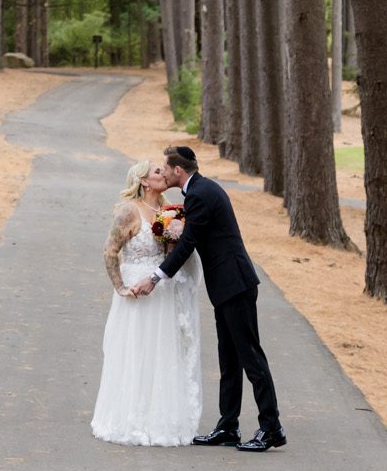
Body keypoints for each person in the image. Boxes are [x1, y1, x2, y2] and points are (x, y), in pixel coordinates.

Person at [130, 143, 286, 452]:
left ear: (178, 171)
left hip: (235, 283)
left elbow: (188, 243)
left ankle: (271, 428)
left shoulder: (200, 194)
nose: (162, 171)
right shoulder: (199, 191)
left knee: (250, 356)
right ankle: (228, 426)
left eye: (165, 167)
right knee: (229, 358)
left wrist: (155, 278)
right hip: (225, 285)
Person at [90, 159, 203, 446]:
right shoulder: (129, 210)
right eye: (156, 171)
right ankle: (130, 418)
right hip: (135, 291)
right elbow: (109, 251)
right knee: (135, 351)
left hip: (161, 290)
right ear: (143, 181)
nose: (163, 173)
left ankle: (159, 418)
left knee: (161, 350)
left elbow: (173, 256)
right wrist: (120, 288)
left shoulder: (169, 211)